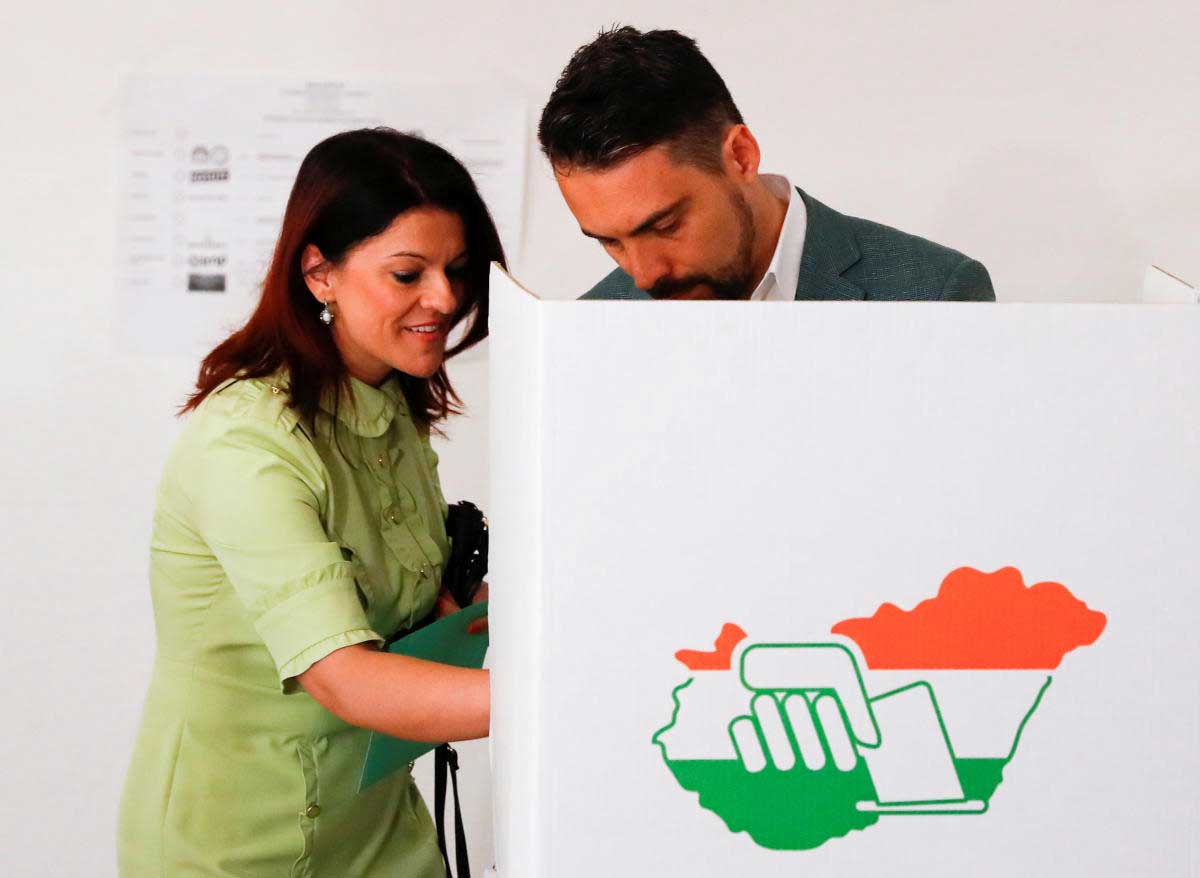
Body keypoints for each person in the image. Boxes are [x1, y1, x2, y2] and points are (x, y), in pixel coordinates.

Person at [118, 128, 501, 878]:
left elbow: (424, 613)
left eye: (457, 270)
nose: (446, 298)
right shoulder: (246, 444)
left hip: (378, 833)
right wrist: (574, 700)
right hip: (232, 848)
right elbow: (345, 677)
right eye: (408, 273)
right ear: (320, 273)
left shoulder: (394, 413)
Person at [538, 26, 995, 303]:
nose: (644, 274)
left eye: (665, 226)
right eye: (611, 243)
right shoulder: (588, 324)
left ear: (740, 156)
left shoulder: (933, 292)